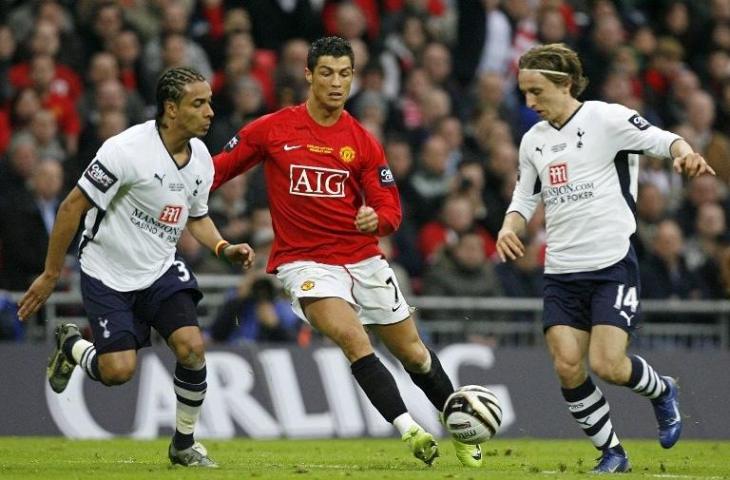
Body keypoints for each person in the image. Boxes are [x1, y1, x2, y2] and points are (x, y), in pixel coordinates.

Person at [211, 36, 482, 468]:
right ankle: (409, 429)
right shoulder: (272, 129)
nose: (336, 83)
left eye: (344, 74)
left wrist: (379, 221)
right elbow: (214, 171)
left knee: (413, 353)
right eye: (327, 73)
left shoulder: (362, 140)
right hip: (303, 262)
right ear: (308, 75)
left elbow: (391, 205)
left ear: (353, 77)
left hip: (362, 259)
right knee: (353, 338)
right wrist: (178, 202)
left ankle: (464, 429)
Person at [17, 66, 254, 468]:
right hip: (107, 270)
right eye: (199, 103)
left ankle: (183, 445)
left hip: (160, 268)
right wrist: (52, 272)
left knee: (192, 348)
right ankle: (74, 347)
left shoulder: (201, 160)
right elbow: (73, 205)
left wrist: (221, 246)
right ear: (171, 108)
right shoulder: (124, 150)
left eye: (210, 102)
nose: (210, 111)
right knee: (117, 372)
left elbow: (195, 215)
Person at [496, 43, 715, 473]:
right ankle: (612, 451)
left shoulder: (606, 118)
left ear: (564, 84)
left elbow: (664, 139)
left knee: (608, 365)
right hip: (561, 270)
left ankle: (662, 390)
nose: (529, 102)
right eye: (524, 92)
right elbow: (524, 196)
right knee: (567, 365)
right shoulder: (533, 141)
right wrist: (508, 227)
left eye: (536, 91)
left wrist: (685, 153)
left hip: (612, 264)